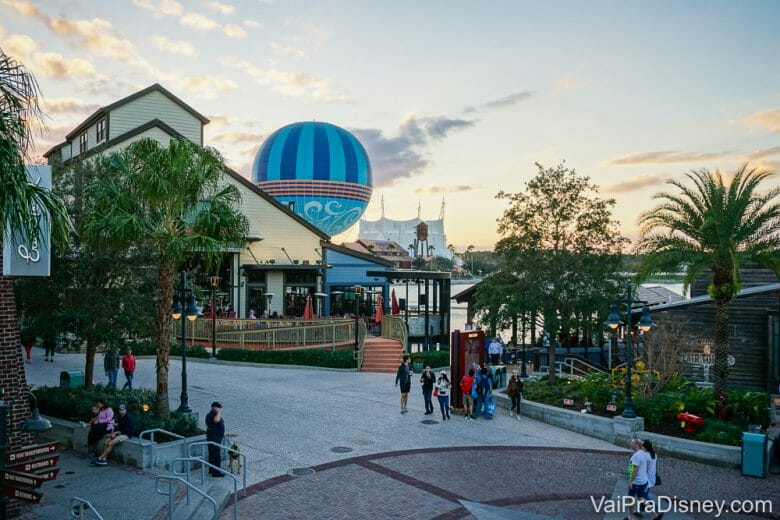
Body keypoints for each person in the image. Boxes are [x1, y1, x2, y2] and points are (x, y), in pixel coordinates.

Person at [625, 438, 651, 520]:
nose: (630, 444)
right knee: (641, 498)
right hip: (643, 481)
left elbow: (635, 470)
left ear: (636, 445)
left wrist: (630, 481)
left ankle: (631, 516)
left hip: (636, 482)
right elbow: (646, 467)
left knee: (630, 499)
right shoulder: (644, 453)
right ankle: (654, 513)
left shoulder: (636, 456)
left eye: (632, 443)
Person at [642, 439, 663, 519]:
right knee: (644, 495)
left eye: (642, 445)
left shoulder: (646, 456)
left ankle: (658, 510)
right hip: (652, 478)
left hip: (646, 480)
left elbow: (645, 469)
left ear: (646, 447)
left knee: (644, 497)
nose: (641, 447)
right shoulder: (654, 454)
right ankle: (640, 511)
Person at [205, 401, 225, 476]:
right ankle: (216, 472)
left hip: (217, 437)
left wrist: (223, 433)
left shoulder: (215, 414)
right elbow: (216, 420)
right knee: (216, 455)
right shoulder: (211, 415)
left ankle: (212, 470)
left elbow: (219, 423)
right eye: (218, 408)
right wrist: (219, 412)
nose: (219, 409)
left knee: (213, 455)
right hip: (214, 438)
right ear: (214, 408)